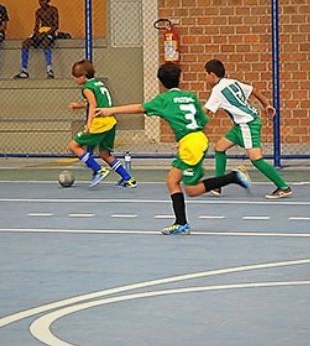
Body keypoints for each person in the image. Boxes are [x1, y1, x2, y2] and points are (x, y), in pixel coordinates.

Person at [95, 62, 251, 235]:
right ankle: (181, 223)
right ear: (180, 79)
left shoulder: (163, 100)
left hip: (191, 145)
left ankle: (233, 177)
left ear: (160, 83)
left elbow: (139, 108)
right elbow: (203, 120)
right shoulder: (190, 96)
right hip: (197, 139)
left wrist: (111, 111)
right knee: (172, 181)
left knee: (191, 190)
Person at [203, 59, 292, 199]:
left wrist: (191, 125)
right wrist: (266, 105)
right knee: (220, 148)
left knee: (256, 159)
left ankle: (283, 187)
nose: (206, 78)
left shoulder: (217, 90)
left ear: (212, 75)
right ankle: (217, 185)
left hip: (247, 124)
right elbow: (253, 90)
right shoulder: (232, 82)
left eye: (206, 75)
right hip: (240, 125)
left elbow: (206, 112)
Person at [66, 59, 137, 188]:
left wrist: (88, 124)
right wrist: (80, 106)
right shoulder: (99, 84)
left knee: (73, 146)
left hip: (99, 123)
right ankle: (128, 178)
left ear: (83, 76)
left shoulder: (87, 88)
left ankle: (98, 169)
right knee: (105, 153)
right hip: (110, 121)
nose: (75, 80)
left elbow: (93, 105)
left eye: (76, 77)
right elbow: (97, 102)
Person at [15, 0, 59, 79]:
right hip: (41, 32)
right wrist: (36, 34)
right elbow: (36, 26)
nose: (42, 2)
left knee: (45, 43)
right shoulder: (38, 11)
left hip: (50, 32)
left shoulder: (53, 10)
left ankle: (49, 70)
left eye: (44, 0)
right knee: (25, 43)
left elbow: (56, 26)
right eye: (40, 0)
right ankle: (24, 70)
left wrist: (46, 33)